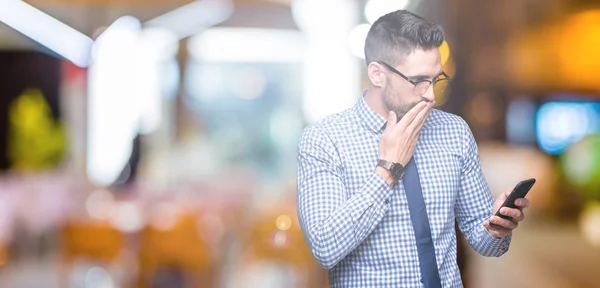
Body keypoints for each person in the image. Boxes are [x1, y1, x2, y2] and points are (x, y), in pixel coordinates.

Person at [296, 10, 530, 287]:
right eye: (418, 81)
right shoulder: (324, 140)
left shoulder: (454, 132)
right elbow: (325, 247)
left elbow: (483, 241)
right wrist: (387, 171)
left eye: (435, 80)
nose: (430, 95)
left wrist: (497, 229)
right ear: (378, 74)